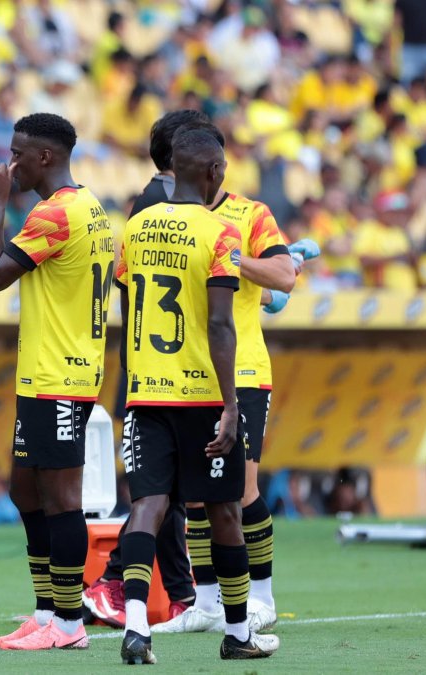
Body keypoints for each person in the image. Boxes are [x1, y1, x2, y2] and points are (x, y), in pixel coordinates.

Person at [87, 112, 310, 634]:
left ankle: (262, 597)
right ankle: (207, 604)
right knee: (198, 498)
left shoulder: (249, 214)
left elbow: (284, 276)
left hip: (241, 371)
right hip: (183, 376)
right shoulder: (163, 221)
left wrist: (232, 259)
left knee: (241, 490)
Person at [114, 126, 278, 664]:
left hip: (146, 392)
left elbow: (128, 308)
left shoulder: (135, 228)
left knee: (148, 506)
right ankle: (238, 633)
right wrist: (230, 404)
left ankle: (136, 626)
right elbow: (220, 325)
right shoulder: (220, 233)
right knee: (225, 510)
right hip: (202, 395)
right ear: (214, 173)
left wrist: (135, 375)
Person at [0, 112, 113, 651]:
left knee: (61, 499)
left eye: (17, 154)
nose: (10, 164)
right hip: (44, 373)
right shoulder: (89, 206)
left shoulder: (54, 214)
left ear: (45, 157)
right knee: (25, 490)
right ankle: (46, 611)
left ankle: (69, 623)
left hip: (61, 374)